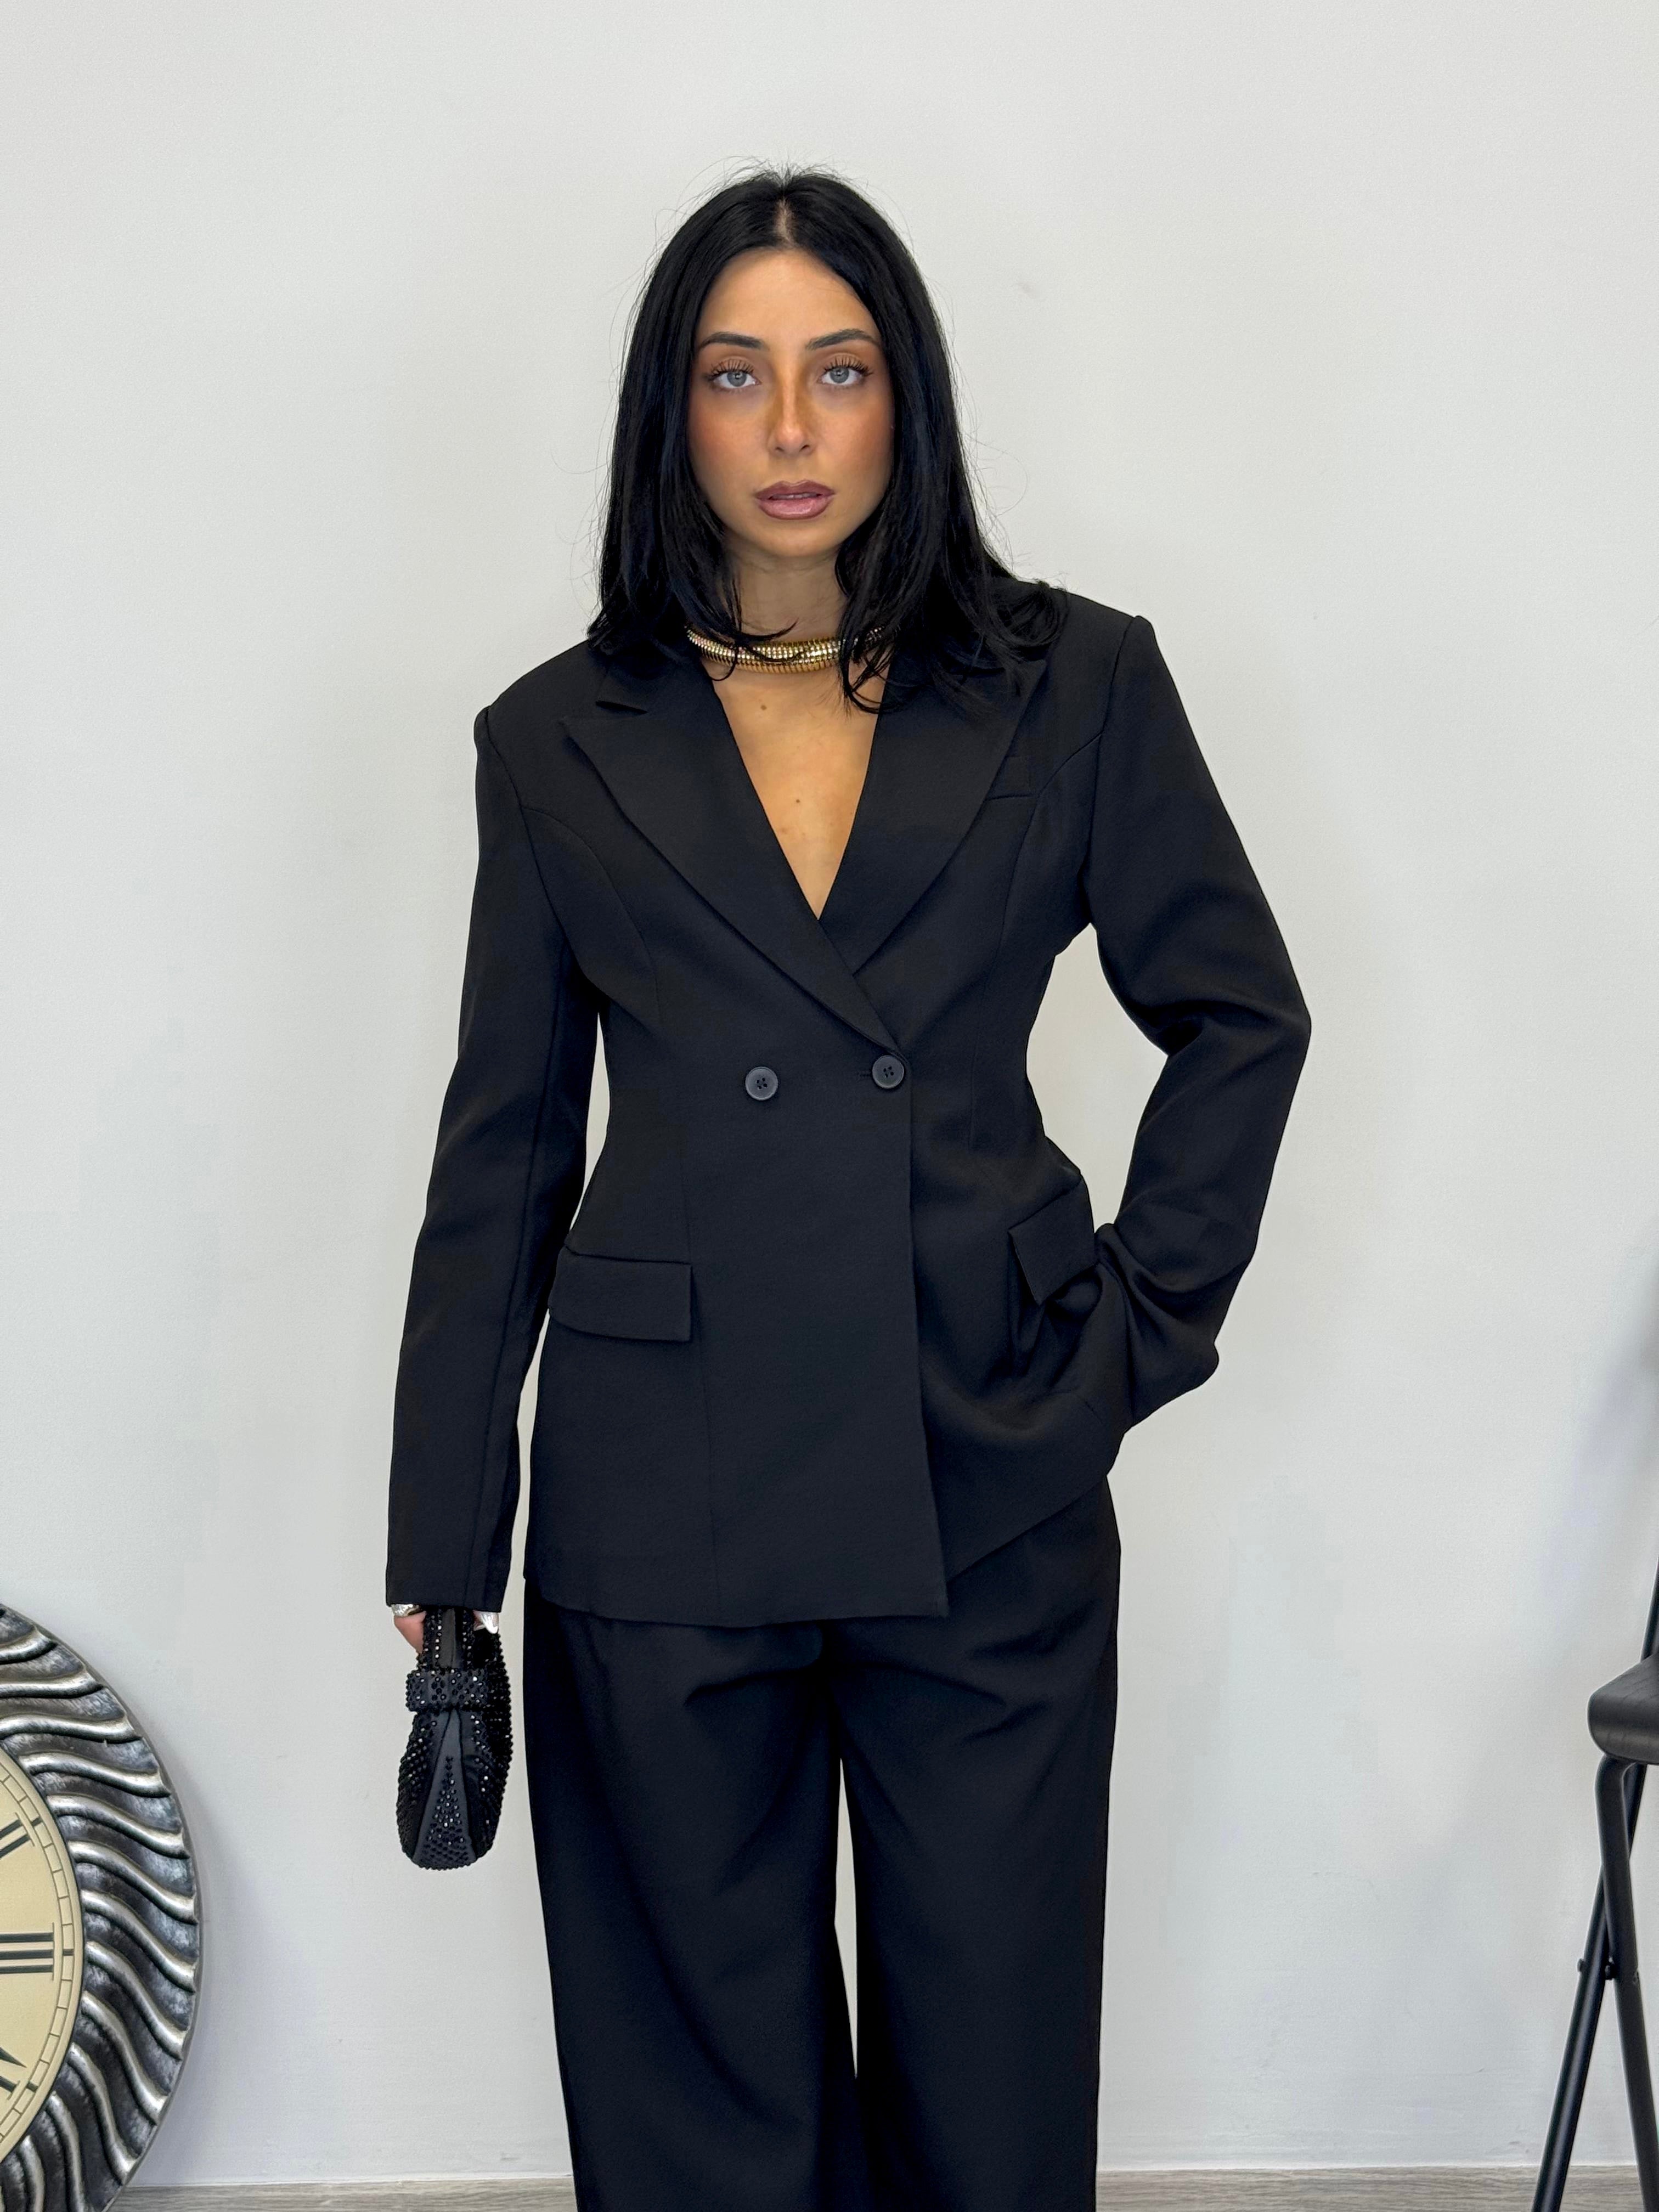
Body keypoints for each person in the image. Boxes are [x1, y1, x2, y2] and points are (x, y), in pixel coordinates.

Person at [385, 166, 1310, 2212]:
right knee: (699, 2121)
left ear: (911, 399)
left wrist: (1125, 1343)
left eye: (841, 370)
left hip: (985, 1451)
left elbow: (1242, 1018)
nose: (792, 429)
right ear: (674, 411)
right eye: (737, 376)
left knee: (993, 2096)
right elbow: (505, 1146)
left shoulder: (1076, 682)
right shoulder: (557, 736)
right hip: (661, 1484)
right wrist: (447, 1532)